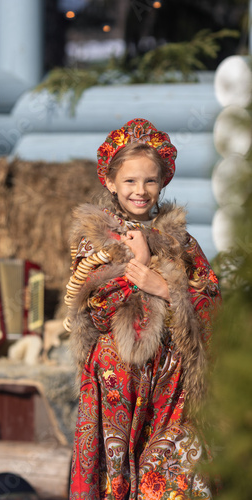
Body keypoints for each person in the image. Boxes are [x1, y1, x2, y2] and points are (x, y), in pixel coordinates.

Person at [64, 118, 221, 500]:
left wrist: (166, 289)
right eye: (130, 181)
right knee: (116, 481)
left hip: (173, 392)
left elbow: (214, 303)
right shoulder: (95, 240)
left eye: (150, 181)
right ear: (111, 182)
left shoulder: (182, 240)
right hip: (118, 387)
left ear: (162, 182)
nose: (140, 190)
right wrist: (138, 260)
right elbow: (95, 308)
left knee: (173, 481)